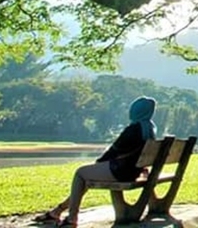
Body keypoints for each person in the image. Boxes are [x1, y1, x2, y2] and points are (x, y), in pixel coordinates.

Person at [33, 96, 158, 227]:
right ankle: (57, 211)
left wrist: (98, 162)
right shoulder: (150, 129)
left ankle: (71, 218)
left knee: (80, 173)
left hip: (121, 172)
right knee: (86, 177)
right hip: (133, 171)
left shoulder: (133, 129)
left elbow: (113, 151)